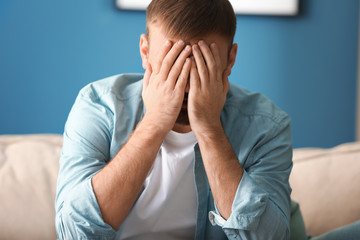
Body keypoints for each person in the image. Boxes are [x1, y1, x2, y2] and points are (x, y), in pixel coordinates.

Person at [55, 0, 294, 239]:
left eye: (202, 67)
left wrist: (209, 129)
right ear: (145, 52)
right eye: (171, 63)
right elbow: (74, 233)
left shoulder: (266, 125)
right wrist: (154, 123)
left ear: (230, 60)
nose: (184, 85)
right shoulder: (99, 104)